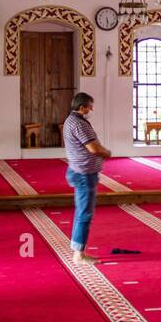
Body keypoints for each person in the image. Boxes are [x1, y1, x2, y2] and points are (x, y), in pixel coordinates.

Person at [62, 92, 114, 263]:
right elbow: (93, 148)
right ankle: (79, 254)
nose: (91, 109)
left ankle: (77, 248)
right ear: (82, 107)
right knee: (85, 214)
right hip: (84, 173)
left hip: (79, 170)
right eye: (89, 106)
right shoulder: (79, 124)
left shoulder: (71, 120)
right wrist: (106, 152)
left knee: (81, 212)